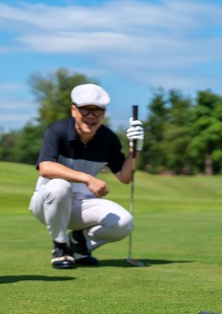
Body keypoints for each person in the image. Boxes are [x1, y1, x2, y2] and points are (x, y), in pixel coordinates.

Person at [29, 83, 145, 269]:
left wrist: (136, 149)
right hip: (46, 204)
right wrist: (88, 178)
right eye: (85, 109)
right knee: (59, 186)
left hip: (81, 206)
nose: (91, 116)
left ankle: (78, 243)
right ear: (74, 110)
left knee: (124, 223)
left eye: (97, 110)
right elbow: (46, 167)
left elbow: (125, 177)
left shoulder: (108, 138)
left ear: (103, 114)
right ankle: (60, 248)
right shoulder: (57, 130)